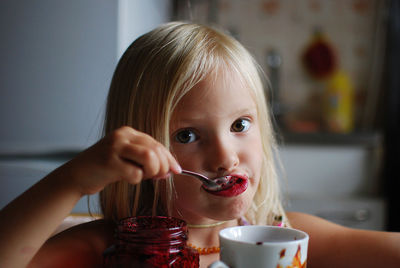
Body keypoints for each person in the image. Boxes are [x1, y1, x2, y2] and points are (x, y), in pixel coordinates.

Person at [0, 21, 399, 268]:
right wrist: (71, 180)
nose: (226, 158)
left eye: (241, 124)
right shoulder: (113, 248)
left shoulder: (284, 236)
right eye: (187, 135)